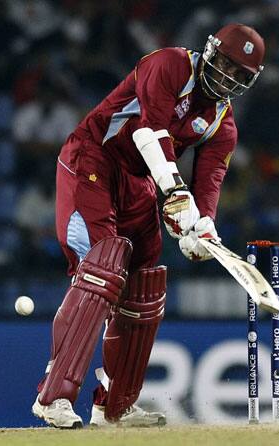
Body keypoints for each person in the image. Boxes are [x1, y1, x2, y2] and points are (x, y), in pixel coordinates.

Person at [31, 23, 265, 428]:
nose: (227, 75)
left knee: (145, 284)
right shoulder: (170, 63)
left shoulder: (222, 127)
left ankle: (115, 406)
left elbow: (207, 186)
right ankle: (54, 395)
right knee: (103, 268)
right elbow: (148, 130)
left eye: (239, 73)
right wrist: (175, 195)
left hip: (140, 181)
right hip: (94, 157)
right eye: (225, 62)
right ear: (209, 51)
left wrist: (201, 231)